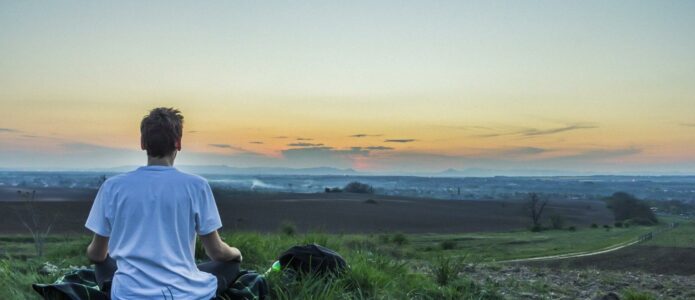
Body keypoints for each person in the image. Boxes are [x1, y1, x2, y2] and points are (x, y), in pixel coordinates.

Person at [84, 107, 242, 299]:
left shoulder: (112, 187)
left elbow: (96, 255)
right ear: (178, 143)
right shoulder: (197, 186)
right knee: (230, 262)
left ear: (143, 143)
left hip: (129, 294)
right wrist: (236, 253)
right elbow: (217, 252)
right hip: (185, 294)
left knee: (104, 262)